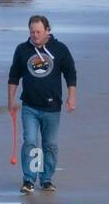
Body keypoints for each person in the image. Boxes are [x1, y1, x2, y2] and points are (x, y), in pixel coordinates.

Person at [8, 14, 77, 194]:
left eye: (38, 32)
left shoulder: (60, 49)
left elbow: (70, 74)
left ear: (48, 31)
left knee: (50, 145)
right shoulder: (22, 50)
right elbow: (14, 76)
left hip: (52, 107)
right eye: (32, 32)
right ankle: (29, 180)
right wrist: (11, 100)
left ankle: (46, 179)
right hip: (29, 106)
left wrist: (72, 97)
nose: (35, 35)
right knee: (31, 142)